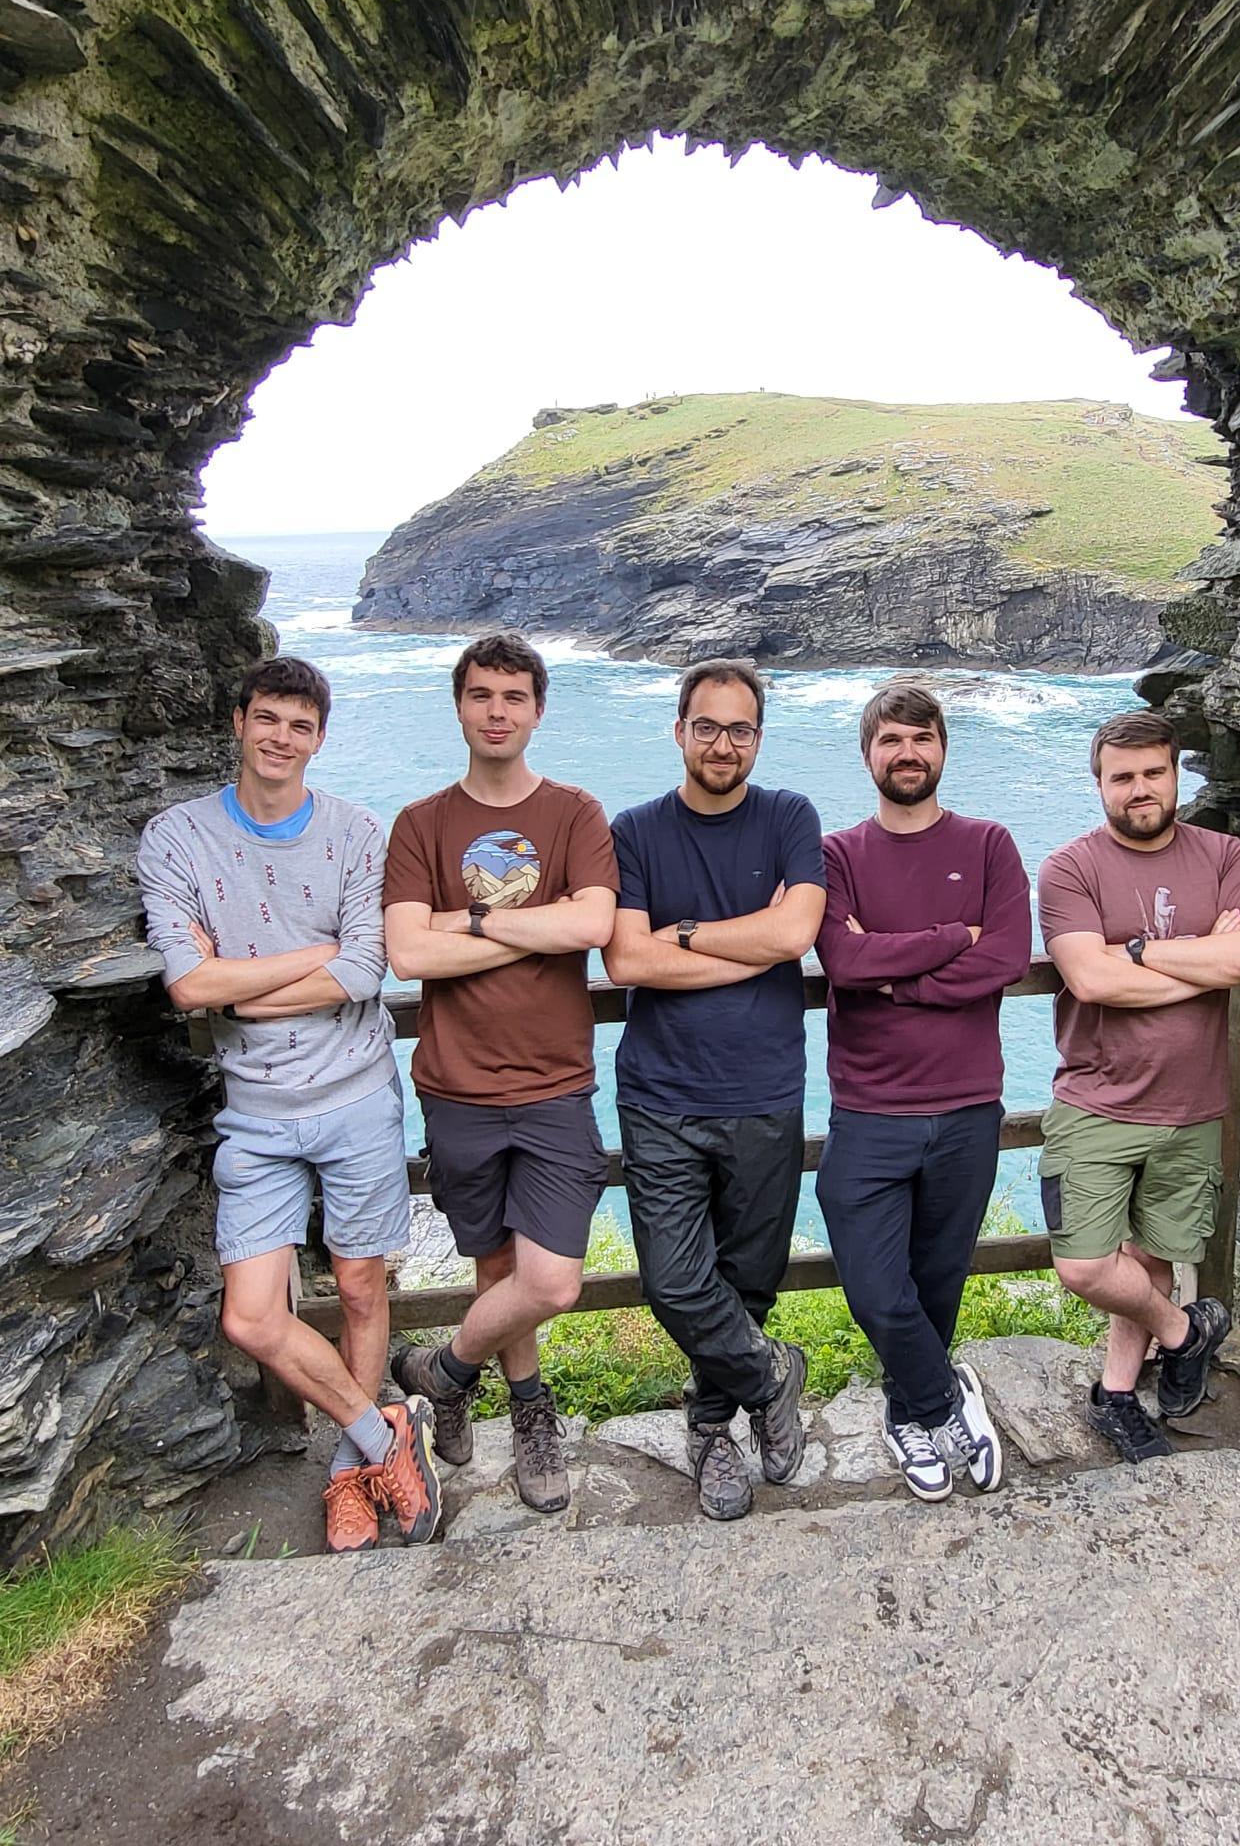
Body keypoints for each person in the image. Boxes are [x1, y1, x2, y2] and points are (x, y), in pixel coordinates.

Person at [136, 655, 441, 1555]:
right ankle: (386, 1434)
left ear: (320, 738)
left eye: (299, 725)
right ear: (239, 722)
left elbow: (364, 969)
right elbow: (187, 986)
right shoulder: (177, 837)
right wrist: (301, 962)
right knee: (251, 1317)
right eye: (266, 718)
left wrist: (235, 989)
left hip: (356, 1095)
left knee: (360, 1286)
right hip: (256, 1111)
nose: (280, 738)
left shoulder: (355, 832)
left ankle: (352, 1476)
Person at [382, 632, 617, 1514]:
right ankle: (528, 1411)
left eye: (514, 697)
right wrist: (529, 923)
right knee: (495, 1271)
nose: (497, 711)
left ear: (537, 711)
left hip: (554, 1083)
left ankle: (442, 1371)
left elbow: (590, 926)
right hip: (457, 1085)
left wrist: (467, 922)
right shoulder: (421, 823)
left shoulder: (575, 813)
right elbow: (409, 954)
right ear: (460, 706)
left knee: (551, 1280)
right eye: (481, 695)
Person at [602, 658, 826, 1520]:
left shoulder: (789, 816)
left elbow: (795, 933)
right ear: (679, 732)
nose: (722, 744)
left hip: (764, 1087)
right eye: (707, 726)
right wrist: (750, 944)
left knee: (749, 1280)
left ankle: (711, 1430)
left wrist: (686, 934)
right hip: (661, 1092)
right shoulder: (634, 830)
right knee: (673, 1279)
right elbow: (627, 960)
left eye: (739, 729)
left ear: (758, 738)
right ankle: (771, 1377)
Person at [1036, 708, 1240, 1462]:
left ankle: (1116, 1395)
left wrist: (1137, 951)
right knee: (1084, 1264)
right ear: (1099, 784)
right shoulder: (1071, 868)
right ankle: (1184, 1333)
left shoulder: (1225, 855)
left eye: (1153, 773)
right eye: (1122, 777)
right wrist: (1206, 958)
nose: (1139, 789)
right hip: (1097, 1100)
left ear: (1175, 774)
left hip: (1194, 1104)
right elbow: (1092, 980)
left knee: (1153, 1258)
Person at [815, 683, 1031, 1502]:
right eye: (891, 740)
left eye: (922, 738)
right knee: (876, 1288)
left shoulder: (989, 844)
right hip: (869, 1109)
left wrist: (894, 973)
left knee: (938, 1281)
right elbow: (844, 961)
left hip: (968, 1105)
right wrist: (950, 940)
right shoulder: (837, 855)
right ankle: (946, 1400)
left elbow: (1004, 957)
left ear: (943, 748)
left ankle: (908, 1415)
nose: (907, 753)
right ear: (866, 754)